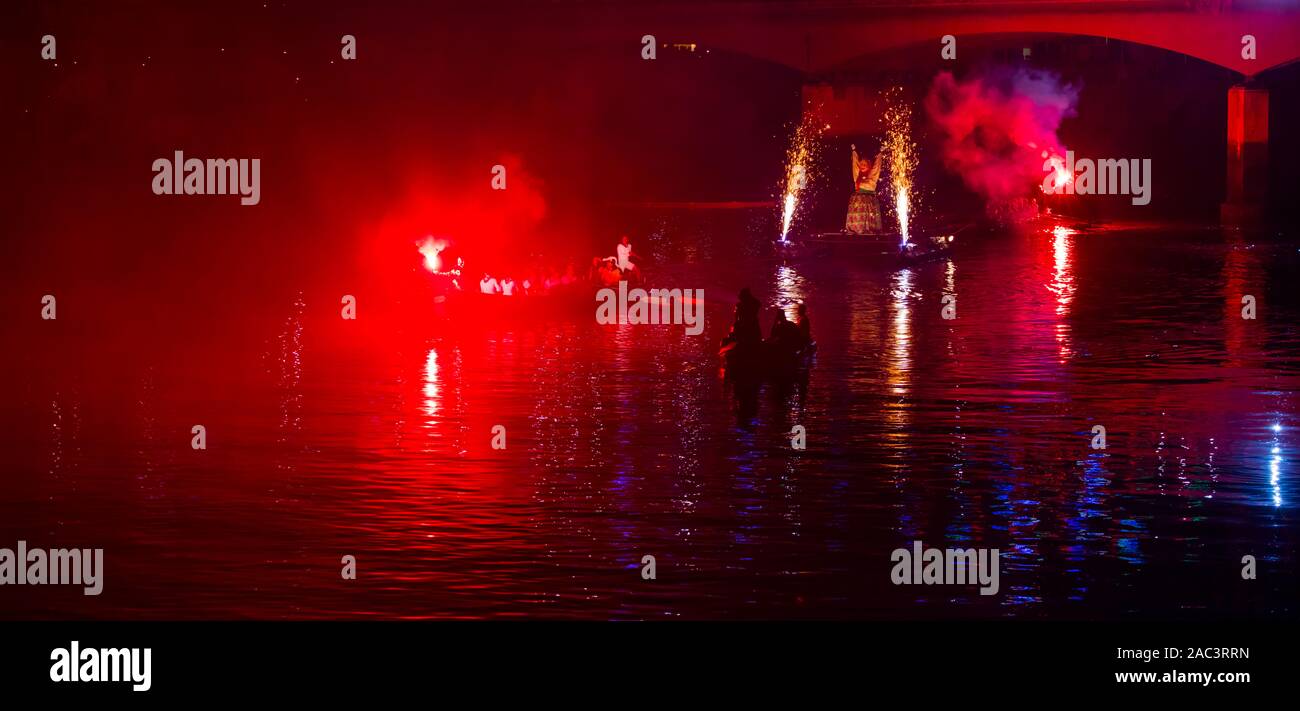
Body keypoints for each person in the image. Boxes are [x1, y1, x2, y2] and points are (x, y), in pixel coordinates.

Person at [845, 143, 884, 235]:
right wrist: (854, 151)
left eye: (864, 164)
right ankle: (855, 230)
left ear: (868, 165)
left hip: (868, 199)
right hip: (857, 199)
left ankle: (868, 230)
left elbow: (877, 166)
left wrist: (880, 153)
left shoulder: (872, 175)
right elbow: (855, 164)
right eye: (861, 164)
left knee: (868, 217)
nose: (862, 166)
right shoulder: (857, 176)